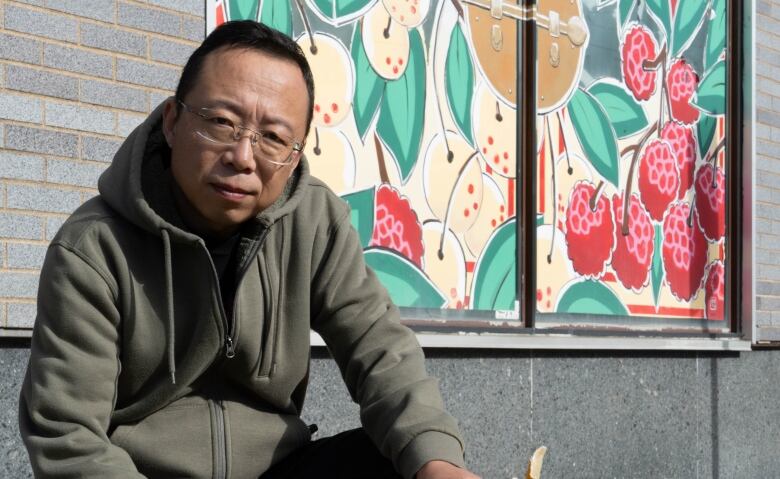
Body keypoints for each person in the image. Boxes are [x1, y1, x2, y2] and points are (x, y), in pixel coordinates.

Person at [19, 20, 479, 479]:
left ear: (295, 155)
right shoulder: (93, 247)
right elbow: (69, 435)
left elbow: (382, 351)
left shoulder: (314, 221)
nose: (243, 155)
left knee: (402, 460)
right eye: (221, 122)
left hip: (278, 469)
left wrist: (438, 462)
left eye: (274, 137)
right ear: (173, 122)